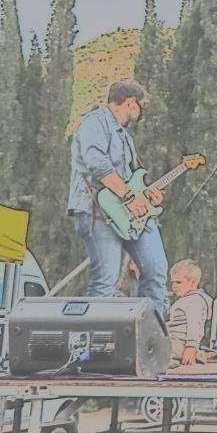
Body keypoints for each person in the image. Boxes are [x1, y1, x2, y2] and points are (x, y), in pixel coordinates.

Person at [68, 80, 168, 316]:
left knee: (156, 269)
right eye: (142, 106)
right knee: (106, 279)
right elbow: (98, 165)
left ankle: (152, 332)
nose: (141, 113)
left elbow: (132, 179)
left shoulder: (125, 137)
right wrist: (130, 197)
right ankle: (92, 337)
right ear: (131, 102)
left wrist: (148, 197)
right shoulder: (94, 122)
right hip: (96, 211)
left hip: (130, 215)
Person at [167, 259, 211, 366]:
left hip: (179, 342)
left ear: (193, 283)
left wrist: (191, 346)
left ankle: (171, 361)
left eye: (178, 282)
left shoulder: (194, 301)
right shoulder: (185, 299)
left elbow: (194, 324)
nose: (174, 286)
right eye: (173, 282)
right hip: (172, 339)